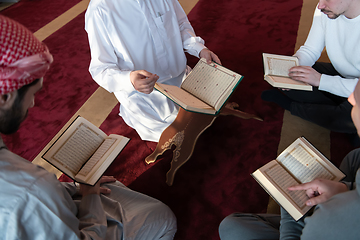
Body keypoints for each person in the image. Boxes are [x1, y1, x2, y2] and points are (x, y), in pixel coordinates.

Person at [0, 15, 177, 239]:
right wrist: (90, 196)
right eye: (32, 93)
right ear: (5, 97)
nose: (33, 103)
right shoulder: (31, 190)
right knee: (161, 216)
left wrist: (71, 190)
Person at [218, 33, 360, 240]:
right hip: (345, 204)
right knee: (354, 155)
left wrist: (291, 203)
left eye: (355, 97)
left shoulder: (333, 222)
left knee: (231, 227)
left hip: (321, 227)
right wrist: (343, 190)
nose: (350, 97)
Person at [84, 0, 221, 142]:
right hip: (146, 95)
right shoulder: (100, 9)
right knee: (180, 132)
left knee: (214, 104)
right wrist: (130, 79)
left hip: (183, 79)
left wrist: (199, 49)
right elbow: (101, 69)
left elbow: (180, 25)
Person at [261, 0, 360, 136]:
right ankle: (338, 105)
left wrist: (320, 80)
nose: (320, 5)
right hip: (341, 72)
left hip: (357, 86)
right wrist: (291, 68)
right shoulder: (325, 10)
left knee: (345, 119)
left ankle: (292, 106)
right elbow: (310, 50)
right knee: (288, 77)